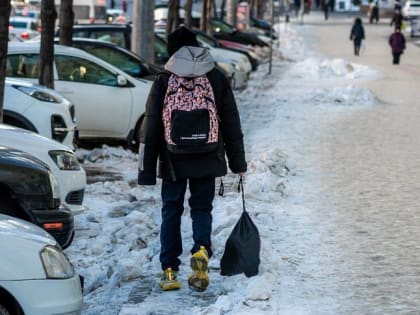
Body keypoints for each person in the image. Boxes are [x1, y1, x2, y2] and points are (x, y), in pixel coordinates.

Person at [137, 26, 247, 292]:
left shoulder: (165, 79)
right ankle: (200, 252)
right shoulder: (215, 76)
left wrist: (146, 170)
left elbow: (151, 127)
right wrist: (238, 164)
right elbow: (231, 122)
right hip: (207, 156)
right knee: (201, 209)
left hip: (172, 159)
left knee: (171, 211)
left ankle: (170, 271)